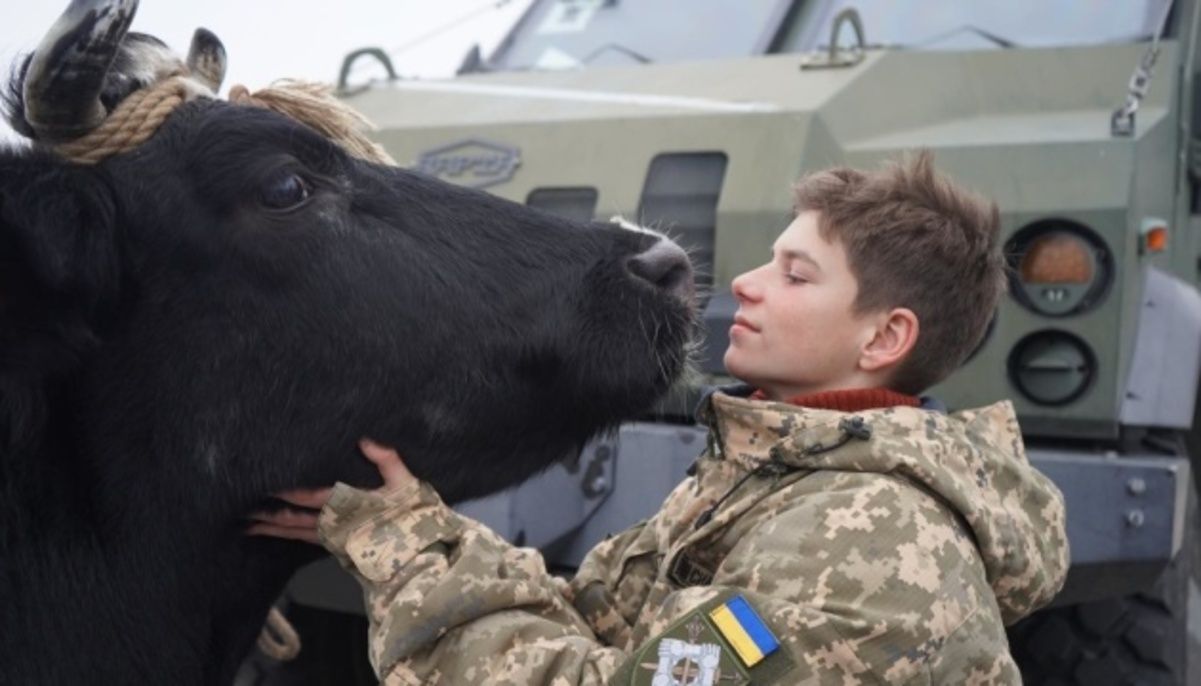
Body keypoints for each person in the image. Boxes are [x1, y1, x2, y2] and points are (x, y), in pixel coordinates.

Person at [250, 152, 1069, 685]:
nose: (744, 283)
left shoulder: (866, 544)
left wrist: (405, 552)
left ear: (883, 338)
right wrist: (410, 532)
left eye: (794, 275)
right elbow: (594, 624)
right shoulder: (776, 480)